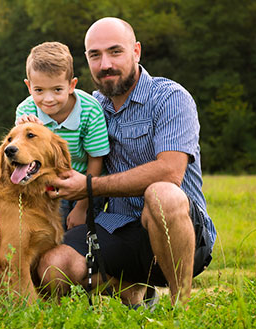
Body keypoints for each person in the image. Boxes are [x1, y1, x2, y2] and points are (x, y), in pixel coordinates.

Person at [38, 17, 217, 306]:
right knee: (53, 266)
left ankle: (181, 305)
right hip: (118, 227)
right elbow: (48, 117)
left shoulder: (170, 97)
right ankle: (135, 289)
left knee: (162, 194)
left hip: (180, 231)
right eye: (95, 55)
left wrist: (90, 187)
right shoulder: (90, 108)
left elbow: (171, 171)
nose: (105, 63)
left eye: (115, 51)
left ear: (136, 51)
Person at [14, 41, 110, 230]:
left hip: (85, 185)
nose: (48, 99)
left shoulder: (90, 110)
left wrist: (83, 207)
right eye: (39, 90)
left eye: (57, 90)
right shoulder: (26, 110)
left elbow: (96, 159)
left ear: (71, 85)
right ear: (29, 86)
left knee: (81, 234)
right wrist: (29, 134)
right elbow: (24, 159)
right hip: (46, 185)